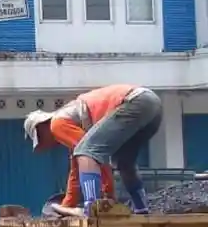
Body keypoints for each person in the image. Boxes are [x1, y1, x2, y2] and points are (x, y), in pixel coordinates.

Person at [23, 84, 162, 214]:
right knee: (123, 161)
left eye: (41, 140)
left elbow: (92, 154)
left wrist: (108, 195)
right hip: (152, 105)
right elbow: (76, 170)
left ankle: (92, 209)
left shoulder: (57, 124)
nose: (46, 146)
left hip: (134, 101)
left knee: (88, 152)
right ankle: (141, 208)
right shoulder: (72, 123)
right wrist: (67, 205)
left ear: (41, 128)